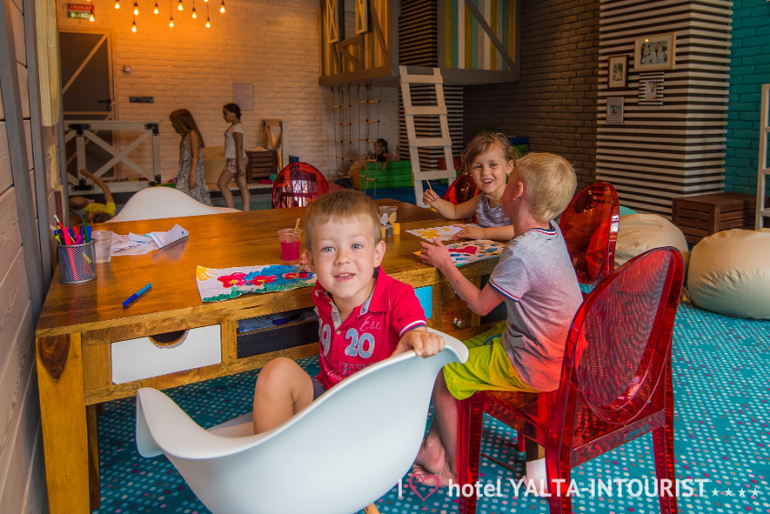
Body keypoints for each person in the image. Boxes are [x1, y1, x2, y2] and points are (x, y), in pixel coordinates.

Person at [413, 152, 583, 488]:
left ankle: (455, 471)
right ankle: (434, 447)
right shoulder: (550, 232)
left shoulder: (522, 253)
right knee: (455, 347)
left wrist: (445, 263)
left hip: (536, 363)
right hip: (564, 354)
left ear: (516, 191)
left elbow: (479, 305)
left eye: (509, 181)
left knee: (444, 372)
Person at [251, 189, 445, 434]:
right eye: (328, 249)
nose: (342, 258)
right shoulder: (323, 290)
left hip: (377, 416)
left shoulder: (397, 296)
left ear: (377, 254)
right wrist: (316, 262)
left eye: (355, 246)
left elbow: (415, 330)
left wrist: (418, 336)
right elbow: (324, 269)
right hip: (329, 400)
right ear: (312, 262)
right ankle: (274, 456)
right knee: (276, 372)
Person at [422, 133, 517, 241]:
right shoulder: (482, 199)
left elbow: (520, 230)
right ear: (470, 171)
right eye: (478, 166)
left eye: (493, 165)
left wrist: (482, 233)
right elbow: (455, 212)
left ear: (509, 167)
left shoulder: (516, 200)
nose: (485, 172)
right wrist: (434, 201)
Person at [169, 109, 212, 206]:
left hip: (192, 173)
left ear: (180, 122)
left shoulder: (193, 135)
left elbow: (195, 156)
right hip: (184, 173)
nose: (172, 125)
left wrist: (192, 176)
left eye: (173, 122)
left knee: (194, 196)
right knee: (183, 195)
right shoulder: (185, 136)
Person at [218, 103, 250, 211]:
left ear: (233, 114)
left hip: (235, 160)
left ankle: (231, 210)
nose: (224, 116)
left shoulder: (237, 128)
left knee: (221, 183)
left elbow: (239, 146)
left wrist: (239, 165)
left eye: (225, 114)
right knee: (242, 185)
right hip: (237, 159)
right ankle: (246, 210)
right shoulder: (235, 127)